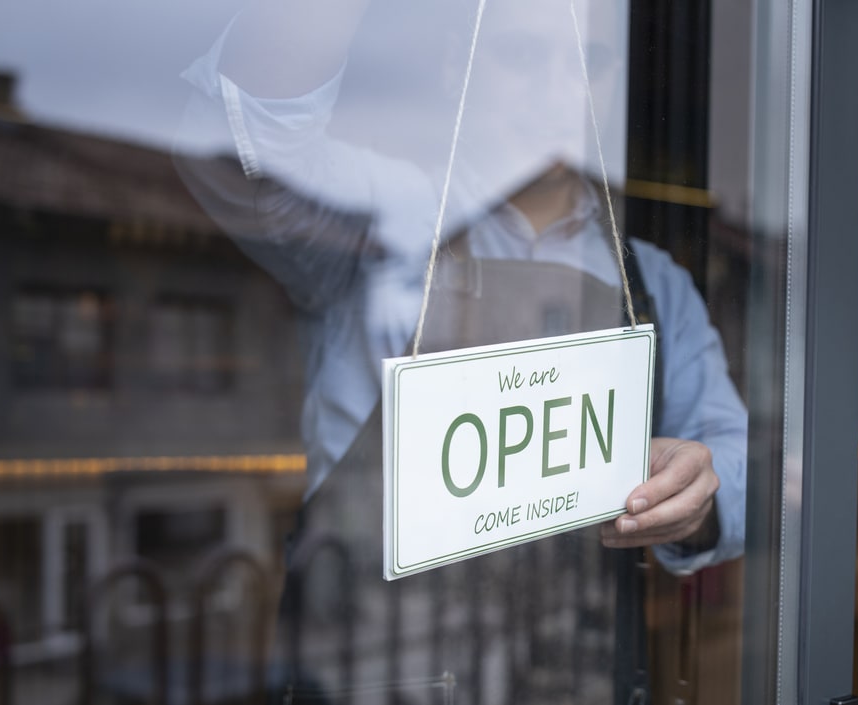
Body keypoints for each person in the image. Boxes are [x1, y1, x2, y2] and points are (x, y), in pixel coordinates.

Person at [174, 0, 747, 699]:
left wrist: (700, 493)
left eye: (588, 62)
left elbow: (733, 455)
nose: (558, 89)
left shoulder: (653, 283)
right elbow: (249, 126)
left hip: (579, 672)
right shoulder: (377, 220)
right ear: (457, 66)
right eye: (522, 56)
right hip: (379, 668)